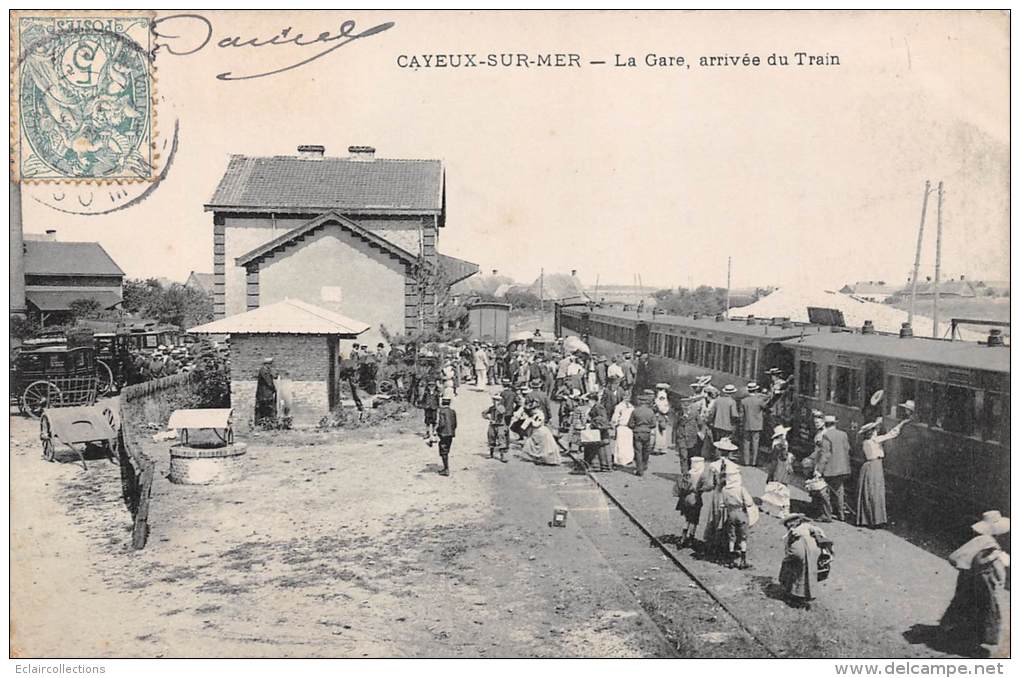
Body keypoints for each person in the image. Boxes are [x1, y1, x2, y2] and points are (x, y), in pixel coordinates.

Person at [938, 511, 1010, 655]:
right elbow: (983, 562)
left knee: (964, 601)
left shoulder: (979, 540)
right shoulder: (990, 544)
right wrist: (998, 561)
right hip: (982, 580)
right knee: (983, 606)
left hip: (969, 576)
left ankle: (954, 629)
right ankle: (974, 638)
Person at [855, 414, 912, 528]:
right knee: (875, 492)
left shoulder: (867, 442)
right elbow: (892, 434)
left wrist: (878, 421)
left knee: (869, 492)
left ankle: (868, 519)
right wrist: (903, 423)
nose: (877, 431)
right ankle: (874, 520)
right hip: (874, 467)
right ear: (871, 432)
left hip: (870, 466)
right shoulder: (874, 441)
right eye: (875, 430)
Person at [778, 513, 832, 607]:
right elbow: (820, 533)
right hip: (813, 550)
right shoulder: (808, 526)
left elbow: (789, 545)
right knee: (807, 572)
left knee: (793, 571)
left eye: (791, 522)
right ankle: (804, 595)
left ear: (797, 521)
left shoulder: (793, 531)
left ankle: (795, 596)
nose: (789, 524)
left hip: (800, 551)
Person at [694, 438, 735, 558]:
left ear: (718, 451)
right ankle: (727, 543)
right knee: (727, 517)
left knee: (715, 516)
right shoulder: (734, 467)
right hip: (731, 494)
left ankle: (714, 543)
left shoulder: (713, 465)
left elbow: (710, 484)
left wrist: (701, 490)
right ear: (730, 452)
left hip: (718, 493)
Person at [815, 414, 852, 522]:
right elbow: (848, 449)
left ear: (825, 424)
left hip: (831, 469)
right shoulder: (843, 434)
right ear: (835, 424)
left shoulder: (826, 436)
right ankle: (841, 515)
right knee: (839, 490)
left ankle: (827, 515)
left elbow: (825, 455)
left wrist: (819, 470)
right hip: (843, 468)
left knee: (824, 491)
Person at [720, 459, 756, 569]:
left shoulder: (725, 489)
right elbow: (749, 503)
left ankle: (731, 561)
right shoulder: (741, 489)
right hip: (741, 513)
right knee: (743, 537)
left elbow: (722, 504)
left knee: (731, 537)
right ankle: (743, 560)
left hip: (730, 514)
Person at [761, 425, 795, 517]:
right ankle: (780, 509)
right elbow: (784, 456)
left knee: (774, 485)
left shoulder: (775, 442)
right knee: (781, 485)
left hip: (776, 464)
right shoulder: (782, 444)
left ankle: (770, 507)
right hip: (781, 466)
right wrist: (789, 456)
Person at [675, 456, 705, 548]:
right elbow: (706, 486)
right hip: (695, 498)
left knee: (686, 519)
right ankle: (691, 539)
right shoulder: (701, 475)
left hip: (685, 498)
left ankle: (683, 538)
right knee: (694, 520)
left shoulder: (688, 473)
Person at [627, 390, 657, 477]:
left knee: (638, 451)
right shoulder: (650, 412)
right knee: (646, 450)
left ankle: (639, 470)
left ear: (639, 402)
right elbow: (654, 424)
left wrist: (635, 427)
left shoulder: (635, 411)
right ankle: (644, 465)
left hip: (637, 433)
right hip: (647, 433)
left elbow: (630, 424)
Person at [581, 391, 612, 472]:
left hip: (600, 431)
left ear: (593, 400)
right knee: (596, 448)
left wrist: (592, 422)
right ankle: (598, 465)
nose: (587, 403)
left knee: (600, 449)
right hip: (598, 430)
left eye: (588, 401)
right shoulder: (595, 407)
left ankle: (603, 466)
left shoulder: (598, 407)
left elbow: (602, 419)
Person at [740, 382, 767, 466]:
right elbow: (766, 407)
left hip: (746, 424)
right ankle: (754, 462)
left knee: (746, 443)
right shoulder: (759, 401)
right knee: (755, 444)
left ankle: (746, 462)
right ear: (755, 390)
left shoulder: (743, 401)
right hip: (757, 425)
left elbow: (741, 414)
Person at [610, 395, 635, 469]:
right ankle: (625, 459)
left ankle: (624, 459)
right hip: (625, 427)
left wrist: (613, 424)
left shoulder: (622, 406)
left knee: (625, 444)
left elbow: (615, 418)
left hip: (625, 426)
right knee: (624, 443)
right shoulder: (628, 406)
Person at [483, 394, 509, 462]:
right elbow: (484, 413)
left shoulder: (501, 407)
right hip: (492, 425)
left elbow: (501, 413)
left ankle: (502, 456)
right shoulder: (491, 408)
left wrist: (496, 407)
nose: (495, 401)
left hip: (500, 425)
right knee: (491, 437)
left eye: (497, 400)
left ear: (500, 401)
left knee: (501, 439)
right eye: (494, 400)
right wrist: (488, 418)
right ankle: (491, 454)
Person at [435, 397, 457, 476]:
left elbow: (442, 423)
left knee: (443, 451)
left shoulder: (442, 412)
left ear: (442, 403)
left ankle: (446, 469)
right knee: (447, 450)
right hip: (451, 433)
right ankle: (446, 468)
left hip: (443, 433)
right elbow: (455, 424)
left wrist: (437, 430)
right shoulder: (452, 411)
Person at [652, 382, 673, 455]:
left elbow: (660, 405)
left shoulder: (661, 395)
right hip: (662, 414)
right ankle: (661, 447)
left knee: (659, 430)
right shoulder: (663, 394)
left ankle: (659, 447)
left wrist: (663, 411)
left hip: (660, 414)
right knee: (662, 430)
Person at [255, 357, 277, 423]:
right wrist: (274, 389)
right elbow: (268, 382)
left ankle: (266, 422)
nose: (271, 366)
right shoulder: (263, 370)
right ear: (266, 364)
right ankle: (262, 423)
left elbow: (274, 376)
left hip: (266, 393)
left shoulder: (267, 370)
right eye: (270, 364)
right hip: (264, 394)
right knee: (265, 408)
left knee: (266, 408)